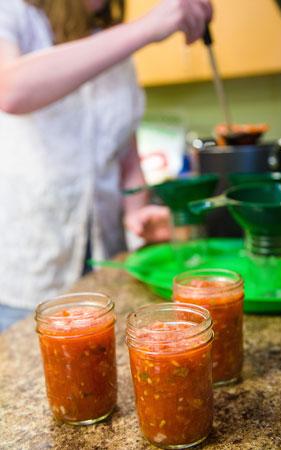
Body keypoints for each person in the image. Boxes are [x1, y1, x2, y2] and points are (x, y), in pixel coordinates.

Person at [0, 0, 212, 330]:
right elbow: (10, 89)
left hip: (106, 265)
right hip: (28, 277)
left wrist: (135, 214)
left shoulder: (115, 46)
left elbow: (125, 155)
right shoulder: (13, 13)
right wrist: (146, 28)